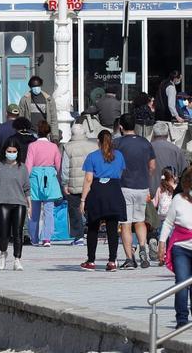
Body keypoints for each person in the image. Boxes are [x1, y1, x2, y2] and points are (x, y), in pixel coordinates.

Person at [114, 113, 157, 269]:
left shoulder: (117, 144)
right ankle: (143, 247)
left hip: (124, 186)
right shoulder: (145, 143)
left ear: (121, 127)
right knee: (140, 220)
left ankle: (129, 259)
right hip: (141, 186)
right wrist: (146, 177)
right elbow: (152, 166)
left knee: (125, 224)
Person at [80, 130, 127, 272]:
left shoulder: (92, 156)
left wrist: (82, 199)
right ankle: (112, 261)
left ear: (98, 142)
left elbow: (88, 179)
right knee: (112, 228)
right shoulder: (119, 155)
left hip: (97, 191)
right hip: (114, 190)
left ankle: (91, 260)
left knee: (93, 227)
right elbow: (120, 173)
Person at [0, 139, 31, 271]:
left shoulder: (22, 167)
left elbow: (27, 188)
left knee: (18, 233)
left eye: (14, 152)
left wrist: (29, 205)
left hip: (19, 203)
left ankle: (17, 259)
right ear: (4, 151)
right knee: (4, 233)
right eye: (9, 151)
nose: (12, 154)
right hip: (3, 202)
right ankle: (3, 252)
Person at [158, 169, 192, 328]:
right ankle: (182, 319)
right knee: (182, 282)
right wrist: (161, 243)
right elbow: (168, 223)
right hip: (181, 248)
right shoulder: (178, 199)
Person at [25, 121, 62, 247]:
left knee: (34, 210)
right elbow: (58, 165)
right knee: (49, 210)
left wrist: (25, 180)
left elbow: (28, 164)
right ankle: (47, 238)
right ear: (48, 133)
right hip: (49, 176)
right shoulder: (53, 146)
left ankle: (34, 238)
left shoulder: (32, 146)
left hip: (35, 177)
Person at [62, 124, 99, 245]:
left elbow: (65, 167)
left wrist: (65, 183)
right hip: (91, 183)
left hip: (74, 184)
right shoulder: (94, 146)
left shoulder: (68, 147)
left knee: (74, 210)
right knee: (91, 209)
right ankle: (93, 232)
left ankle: (78, 236)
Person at [151, 122, 189, 198]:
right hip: (170, 193)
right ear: (167, 134)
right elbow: (185, 172)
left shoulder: (147, 148)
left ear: (153, 134)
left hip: (150, 193)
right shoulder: (176, 150)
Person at [18, 76, 59, 142]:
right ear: (30, 87)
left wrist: (55, 136)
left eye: (37, 86)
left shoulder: (49, 99)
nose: (36, 88)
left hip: (44, 134)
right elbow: (21, 118)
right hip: (30, 133)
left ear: (41, 85)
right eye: (34, 86)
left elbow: (53, 119)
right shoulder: (24, 100)